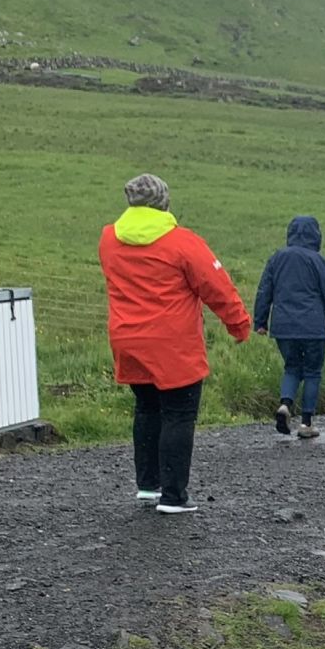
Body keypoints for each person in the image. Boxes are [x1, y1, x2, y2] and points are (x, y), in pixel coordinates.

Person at [98, 173, 250, 515]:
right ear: (164, 202)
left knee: (147, 409)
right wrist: (239, 324)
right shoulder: (183, 242)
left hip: (127, 339)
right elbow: (217, 287)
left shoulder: (109, 239)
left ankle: (148, 486)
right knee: (178, 415)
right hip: (173, 344)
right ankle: (174, 496)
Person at [252, 215, 325, 441]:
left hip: (283, 326)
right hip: (312, 326)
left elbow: (264, 291)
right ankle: (306, 422)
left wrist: (260, 321)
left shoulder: (277, 259)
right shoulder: (317, 260)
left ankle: (285, 404)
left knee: (292, 367)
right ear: (316, 235)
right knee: (312, 372)